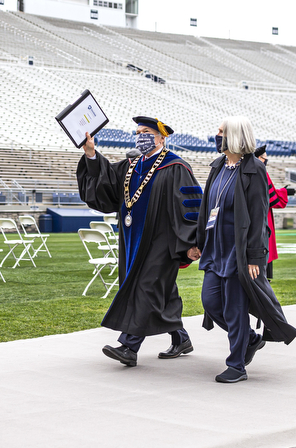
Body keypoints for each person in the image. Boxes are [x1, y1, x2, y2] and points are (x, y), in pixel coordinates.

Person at [77, 116, 202, 367]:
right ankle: (181, 338)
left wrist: (192, 243)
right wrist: (91, 154)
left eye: (146, 131)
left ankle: (129, 346)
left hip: (161, 241)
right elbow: (106, 182)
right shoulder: (132, 165)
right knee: (158, 290)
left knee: (145, 287)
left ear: (161, 137)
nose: (140, 136)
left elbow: (191, 206)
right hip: (132, 238)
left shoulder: (175, 166)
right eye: (137, 132)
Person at [192, 117, 296, 383]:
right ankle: (249, 339)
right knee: (211, 302)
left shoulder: (254, 169)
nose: (216, 135)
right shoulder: (218, 166)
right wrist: (198, 242)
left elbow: (258, 215)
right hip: (216, 248)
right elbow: (207, 207)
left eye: (221, 132)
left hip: (238, 252)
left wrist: (255, 256)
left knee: (235, 309)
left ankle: (236, 365)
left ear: (235, 136)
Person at [254, 145, 295, 280]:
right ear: (260, 158)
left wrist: (281, 191)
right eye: (265, 159)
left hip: (256, 213)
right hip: (262, 215)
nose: (266, 161)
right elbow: (272, 199)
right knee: (265, 241)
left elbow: (267, 192)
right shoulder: (261, 171)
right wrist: (284, 193)